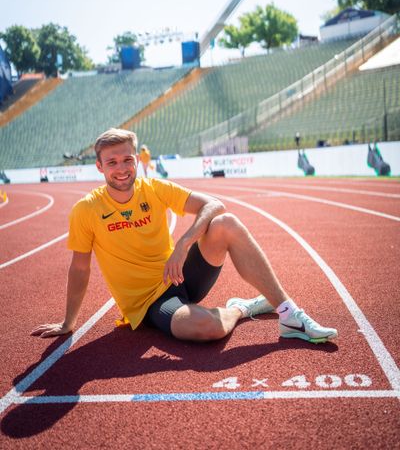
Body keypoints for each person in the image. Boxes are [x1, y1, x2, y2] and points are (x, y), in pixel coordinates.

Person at [32, 128, 337, 344]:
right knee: (207, 329)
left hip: (178, 276)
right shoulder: (86, 209)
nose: (121, 168)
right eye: (112, 162)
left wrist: (185, 241)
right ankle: (243, 307)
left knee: (226, 222)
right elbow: (80, 268)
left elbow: (214, 205)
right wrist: (68, 323)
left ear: (137, 159)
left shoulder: (154, 189)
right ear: (99, 166)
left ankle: (290, 315)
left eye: (127, 159)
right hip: (148, 303)